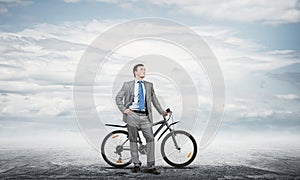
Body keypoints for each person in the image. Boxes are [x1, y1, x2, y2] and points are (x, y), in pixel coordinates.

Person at [115, 64, 168, 175]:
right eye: (141, 69)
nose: (144, 71)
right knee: (133, 140)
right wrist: (124, 109)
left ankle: (151, 166)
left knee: (150, 139)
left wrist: (162, 112)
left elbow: (155, 100)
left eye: (144, 69)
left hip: (145, 116)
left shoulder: (149, 85)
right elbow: (118, 98)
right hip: (132, 115)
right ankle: (136, 164)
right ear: (135, 72)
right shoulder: (127, 85)